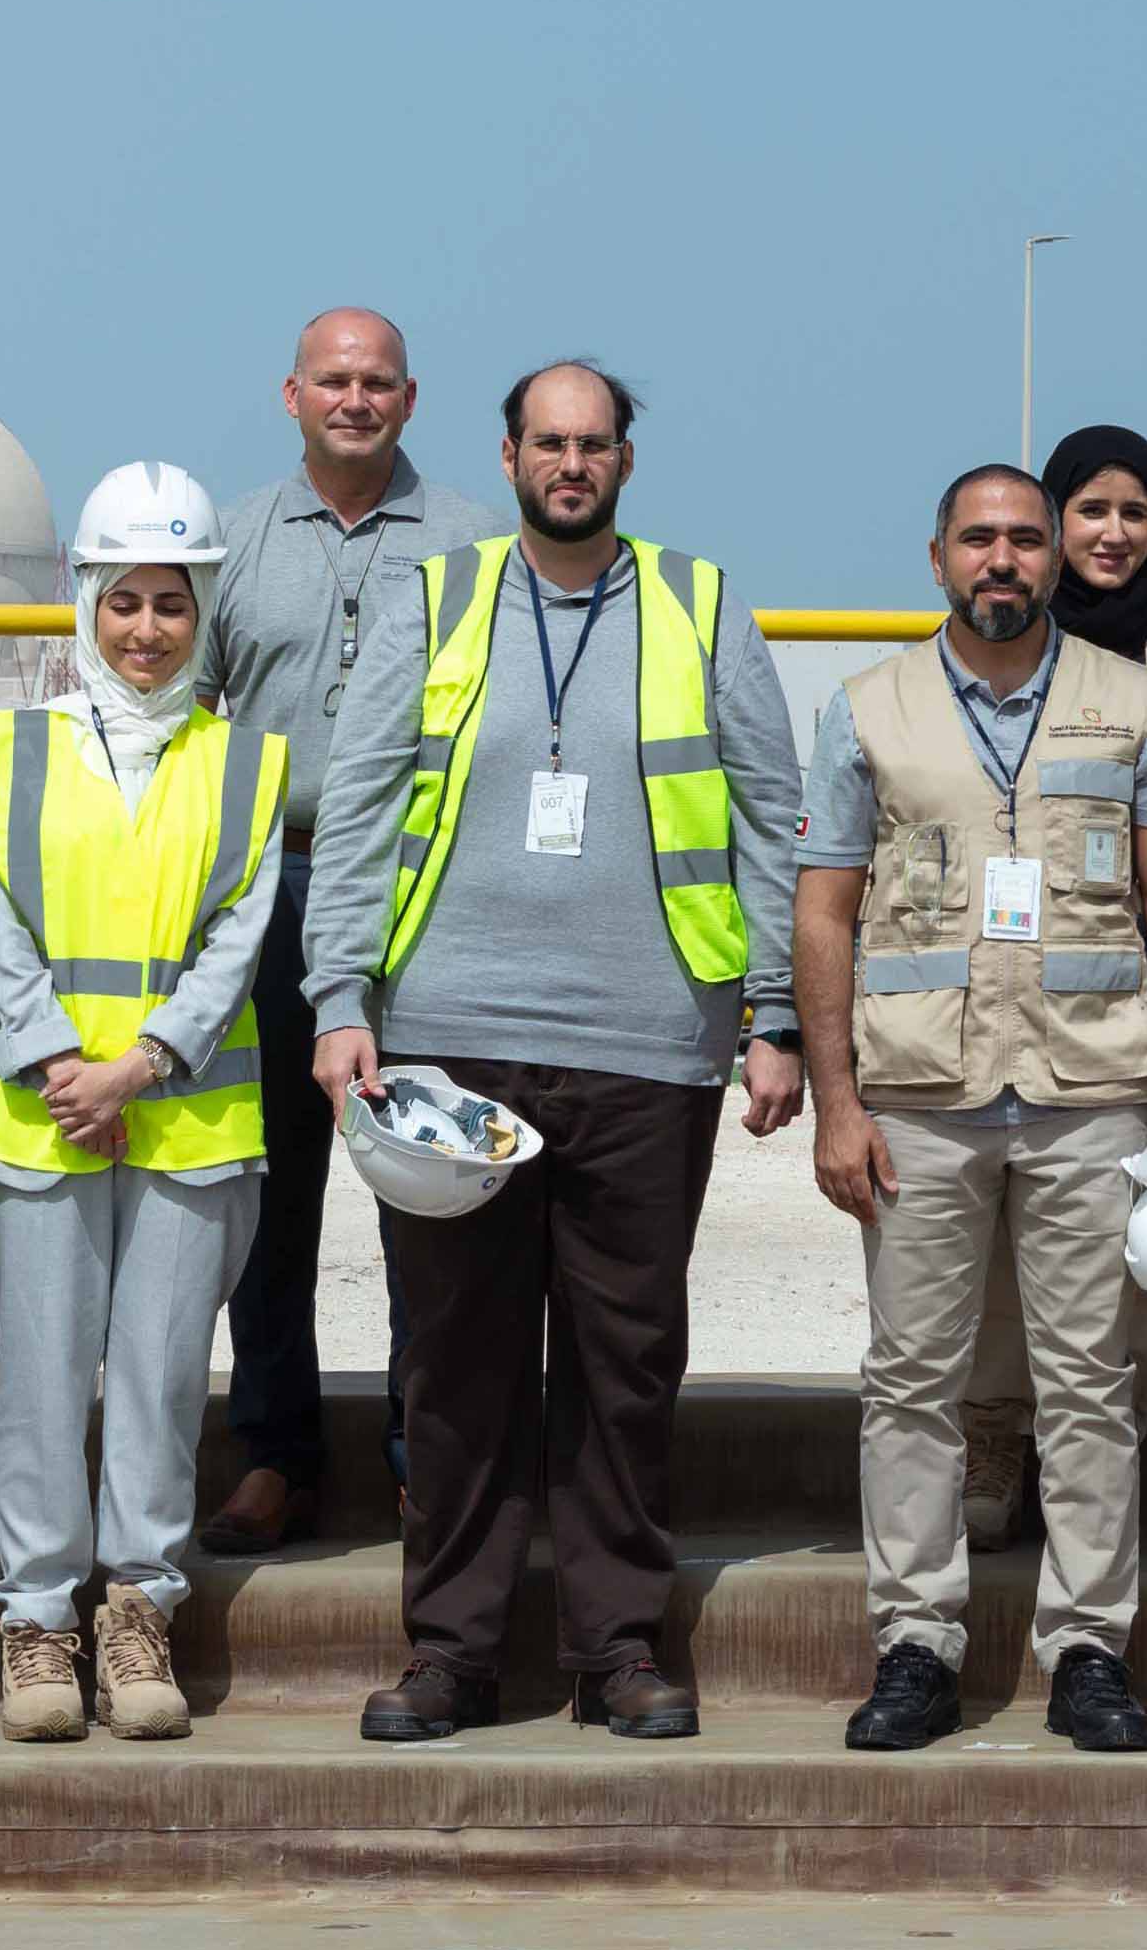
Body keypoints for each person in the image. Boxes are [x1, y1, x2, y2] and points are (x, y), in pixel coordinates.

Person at [306, 360, 806, 1745]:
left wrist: (774, 1012)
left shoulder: (702, 606)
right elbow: (355, 807)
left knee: (625, 1356)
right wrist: (339, 993)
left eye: (594, 444)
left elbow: (775, 813)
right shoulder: (439, 596)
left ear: (626, 461)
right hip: (450, 1045)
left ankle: (618, 1647)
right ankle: (455, 1653)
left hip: (650, 1044)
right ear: (511, 454)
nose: (570, 463)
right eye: (549, 442)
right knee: (456, 1364)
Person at [800, 461, 1147, 1755]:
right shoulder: (867, 707)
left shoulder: (1132, 701)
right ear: (935, 554)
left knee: (1091, 1381)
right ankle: (917, 1642)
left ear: (1057, 559)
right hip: (919, 1093)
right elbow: (824, 908)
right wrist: (836, 1100)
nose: (1004, 557)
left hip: (1092, 1088)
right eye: (979, 537)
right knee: (913, 1381)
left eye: (1026, 538)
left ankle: (1089, 1645)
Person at [0, 465, 286, 1745]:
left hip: (185, 1122)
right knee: (42, 1382)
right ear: (83, 604)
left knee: (155, 1381)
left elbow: (236, 937)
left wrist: (139, 1067)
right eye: (124, 602)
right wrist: (61, 1069)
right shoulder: (11, 745)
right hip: (37, 1122)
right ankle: (37, 1624)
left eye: (171, 603)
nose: (146, 630)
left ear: (205, 612)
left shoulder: (248, 764)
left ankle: (138, 1609)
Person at [196, 308, 505, 1555]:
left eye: (378, 382)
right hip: (270, 893)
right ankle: (274, 1452)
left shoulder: (478, 541)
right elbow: (187, 714)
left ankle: (422, 1456)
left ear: (412, 399)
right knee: (270, 1193)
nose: (356, 400)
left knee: (424, 1190)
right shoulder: (230, 540)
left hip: (422, 899)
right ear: (291, 395)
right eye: (334, 380)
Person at [952, 424, 1147, 1552]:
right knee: (993, 1239)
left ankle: (1107, 1444)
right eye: (1089, 510)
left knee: (1130, 1230)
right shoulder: (987, 645)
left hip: (1132, 989)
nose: (1112, 533)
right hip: (994, 990)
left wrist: (1139, 894)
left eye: (1134, 512)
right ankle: (992, 1436)